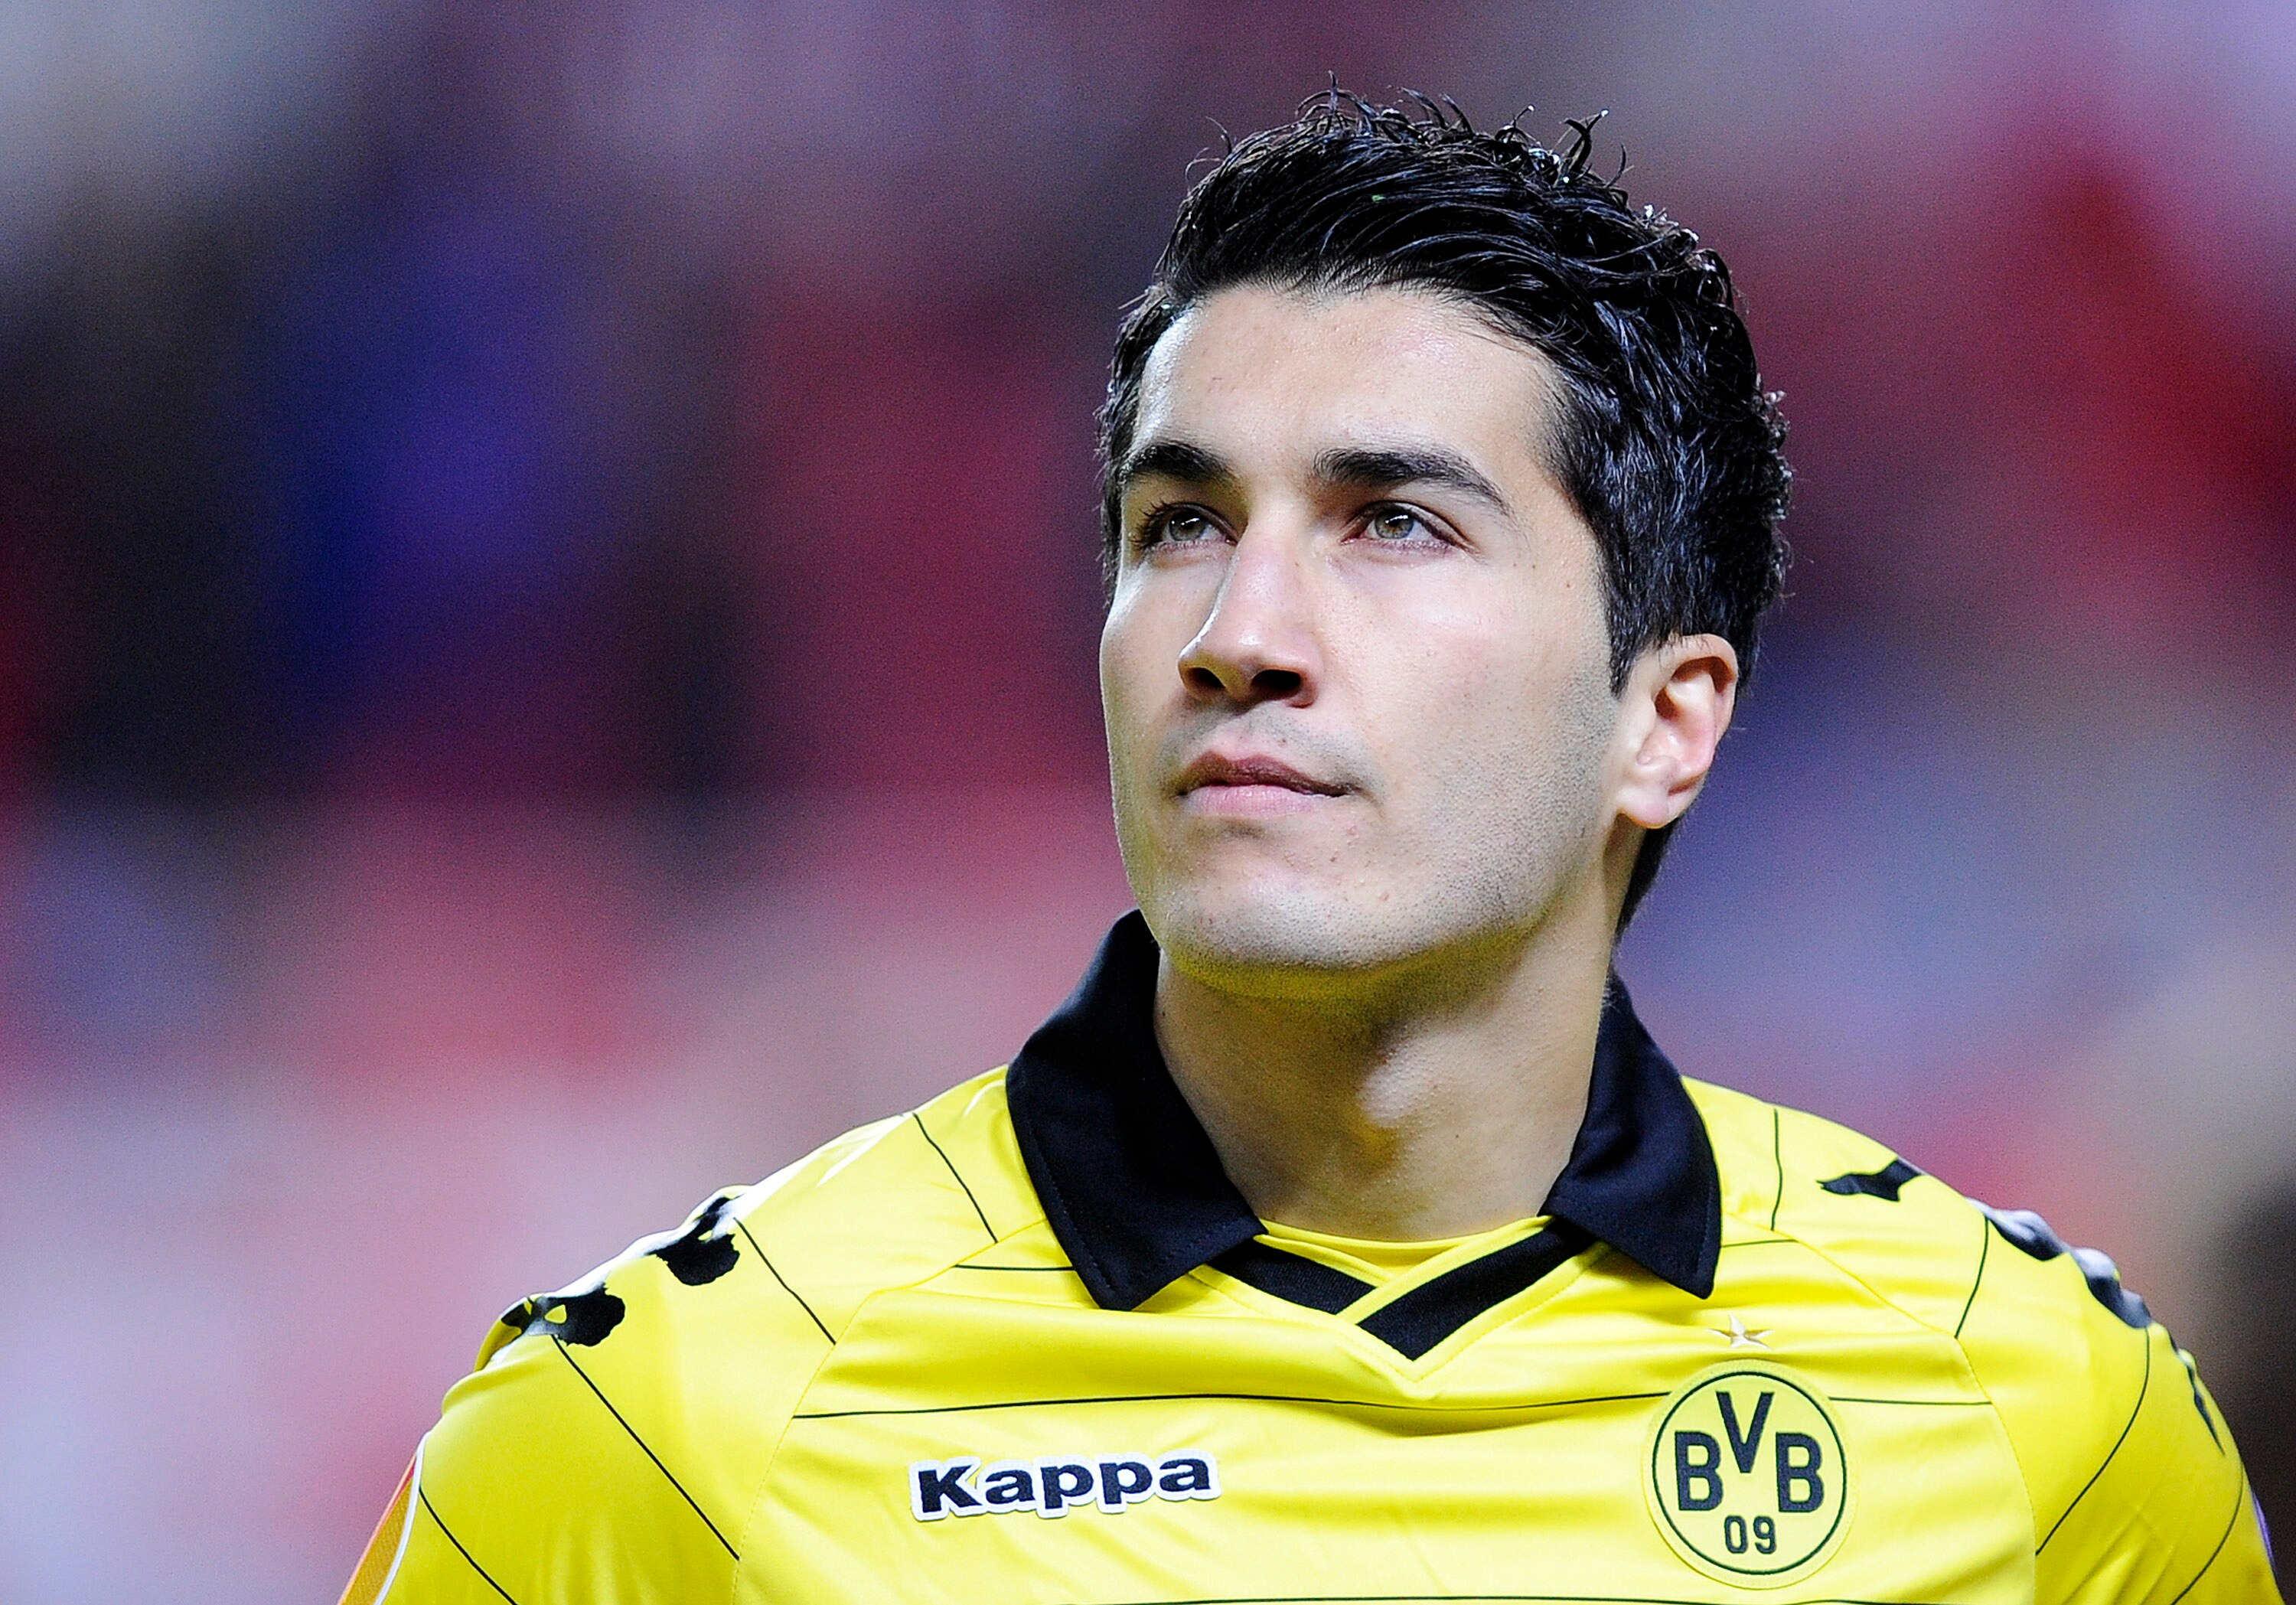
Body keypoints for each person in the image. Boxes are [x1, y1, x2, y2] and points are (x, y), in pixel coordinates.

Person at [341, 92, 2277, 1604]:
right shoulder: (673, 1417)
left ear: (1665, 717)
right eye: (1179, 522)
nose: (1237, 627)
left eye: (1392, 524)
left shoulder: (2034, 1415)